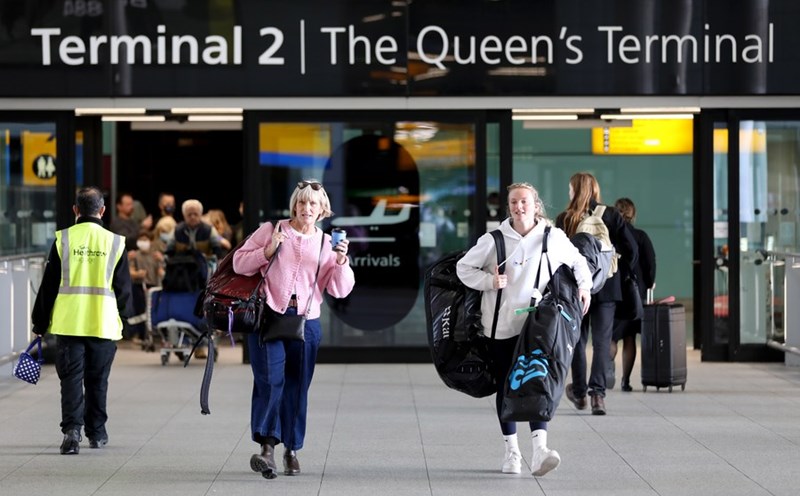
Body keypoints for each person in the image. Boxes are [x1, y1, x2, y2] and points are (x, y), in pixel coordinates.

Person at [457, 182, 592, 477]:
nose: (520, 207)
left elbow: (579, 262)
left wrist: (585, 288)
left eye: (525, 202)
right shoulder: (493, 240)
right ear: (509, 207)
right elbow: (464, 268)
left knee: (536, 383)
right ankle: (512, 452)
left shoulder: (552, 237)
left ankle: (540, 449)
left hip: (537, 327)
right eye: (515, 202)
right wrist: (489, 282)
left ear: (536, 205)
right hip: (501, 327)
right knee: (506, 387)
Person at [233, 179, 355, 480]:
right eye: (302, 202)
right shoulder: (271, 230)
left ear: (323, 209)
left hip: (306, 323)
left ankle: (292, 450)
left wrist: (341, 261)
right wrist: (267, 251)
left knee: (297, 387)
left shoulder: (327, 243)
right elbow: (238, 263)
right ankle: (267, 448)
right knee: (270, 381)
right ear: (294, 205)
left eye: (313, 203)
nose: (307, 208)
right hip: (268, 317)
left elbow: (340, 291)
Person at [31, 186, 133, 455]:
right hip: (103, 324)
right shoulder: (115, 242)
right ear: (102, 210)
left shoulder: (63, 239)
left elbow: (49, 285)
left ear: (76, 210)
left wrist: (39, 323)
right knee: (98, 380)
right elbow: (123, 290)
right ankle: (97, 433)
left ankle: (72, 433)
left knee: (71, 380)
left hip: (69, 324)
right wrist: (127, 320)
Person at [557, 172, 638, 415]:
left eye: (570, 189)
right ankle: (598, 396)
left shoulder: (565, 219)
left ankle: (580, 392)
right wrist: (617, 271)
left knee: (577, 341)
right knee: (603, 343)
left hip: (576, 288)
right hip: (607, 287)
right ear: (594, 190)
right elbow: (631, 249)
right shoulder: (612, 215)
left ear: (575, 190)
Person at [610, 197, 656, 392]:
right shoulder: (640, 236)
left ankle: (606, 371)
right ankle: (625, 381)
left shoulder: (610, 235)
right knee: (629, 337)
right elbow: (650, 265)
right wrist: (649, 284)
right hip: (634, 293)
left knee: (610, 337)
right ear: (633, 214)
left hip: (613, 292)